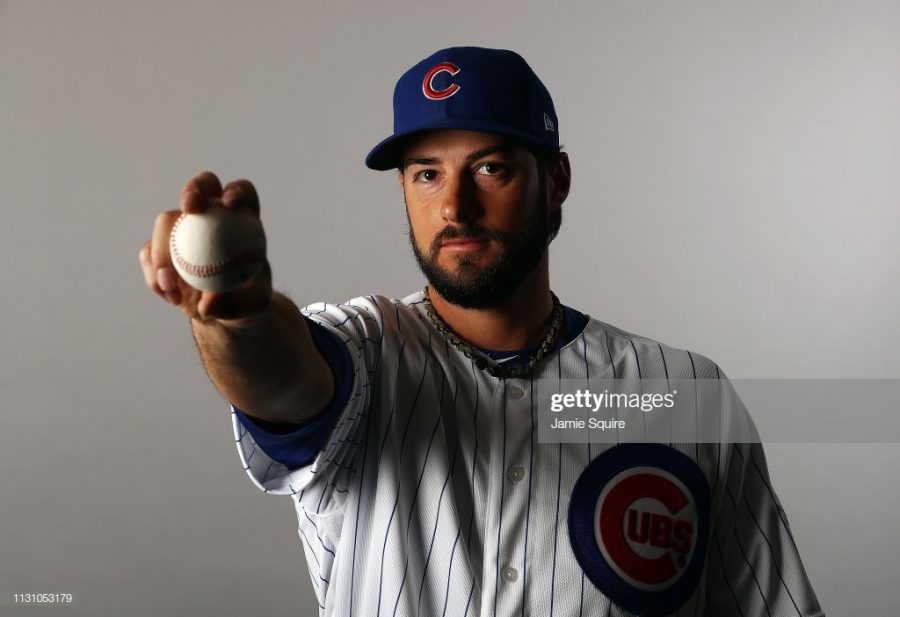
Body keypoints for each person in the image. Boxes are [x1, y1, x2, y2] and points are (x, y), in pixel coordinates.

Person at [139, 47, 823, 617]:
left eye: (489, 168)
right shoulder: (368, 347)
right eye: (427, 173)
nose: (454, 205)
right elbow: (282, 379)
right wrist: (240, 315)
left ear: (555, 179)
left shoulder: (684, 393)